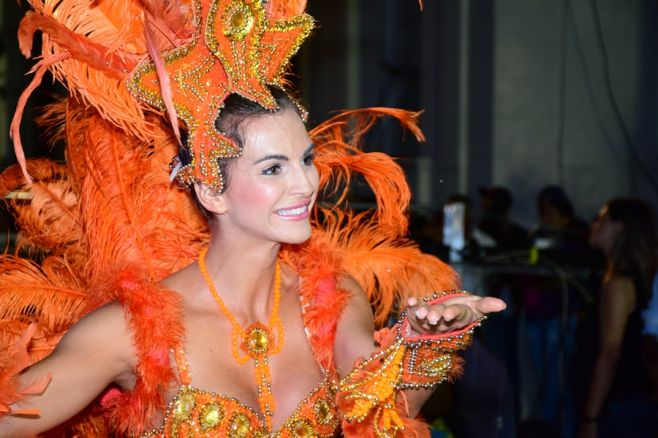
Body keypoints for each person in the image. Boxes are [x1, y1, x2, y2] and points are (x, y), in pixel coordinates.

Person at [0, 1, 505, 437]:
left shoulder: (335, 302)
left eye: (306, 159)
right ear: (210, 191)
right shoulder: (127, 333)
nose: (305, 184)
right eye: (272, 168)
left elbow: (381, 418)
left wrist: (426, 342)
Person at [578, 198, 658, 438]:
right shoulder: (631, 278)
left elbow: (610, 353)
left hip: (619, 405)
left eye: (602, 219)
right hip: (628, 402)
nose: (594, 224)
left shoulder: (619, 285)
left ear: (620, 227)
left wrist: (590, 417)